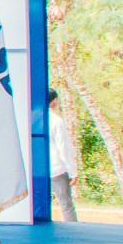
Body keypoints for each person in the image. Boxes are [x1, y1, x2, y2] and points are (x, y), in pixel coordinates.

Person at [47, 88, 79, 222]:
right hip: (56, 169)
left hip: (37, 170)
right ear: (55, 101)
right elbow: (64, 149)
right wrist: (73, 171)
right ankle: (73, 229)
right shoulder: (56, 121)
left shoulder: (32, 119)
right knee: (66, 204)